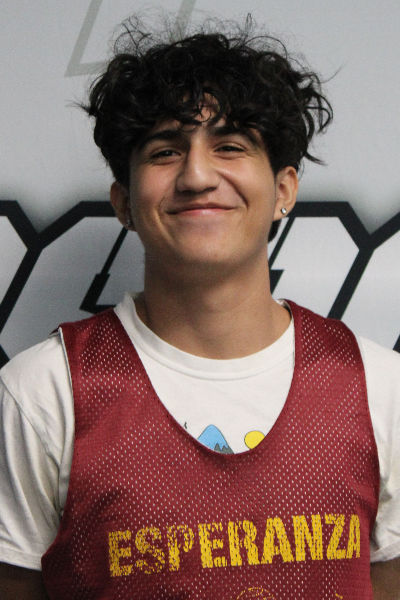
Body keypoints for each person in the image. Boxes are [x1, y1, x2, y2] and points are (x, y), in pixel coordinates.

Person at [0, 14, 399, 600]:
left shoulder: (380, 387)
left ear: (284, 189)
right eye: (165, 152)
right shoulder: (43, 392)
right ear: (124, 201)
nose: (196, 176)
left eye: (230, 147)